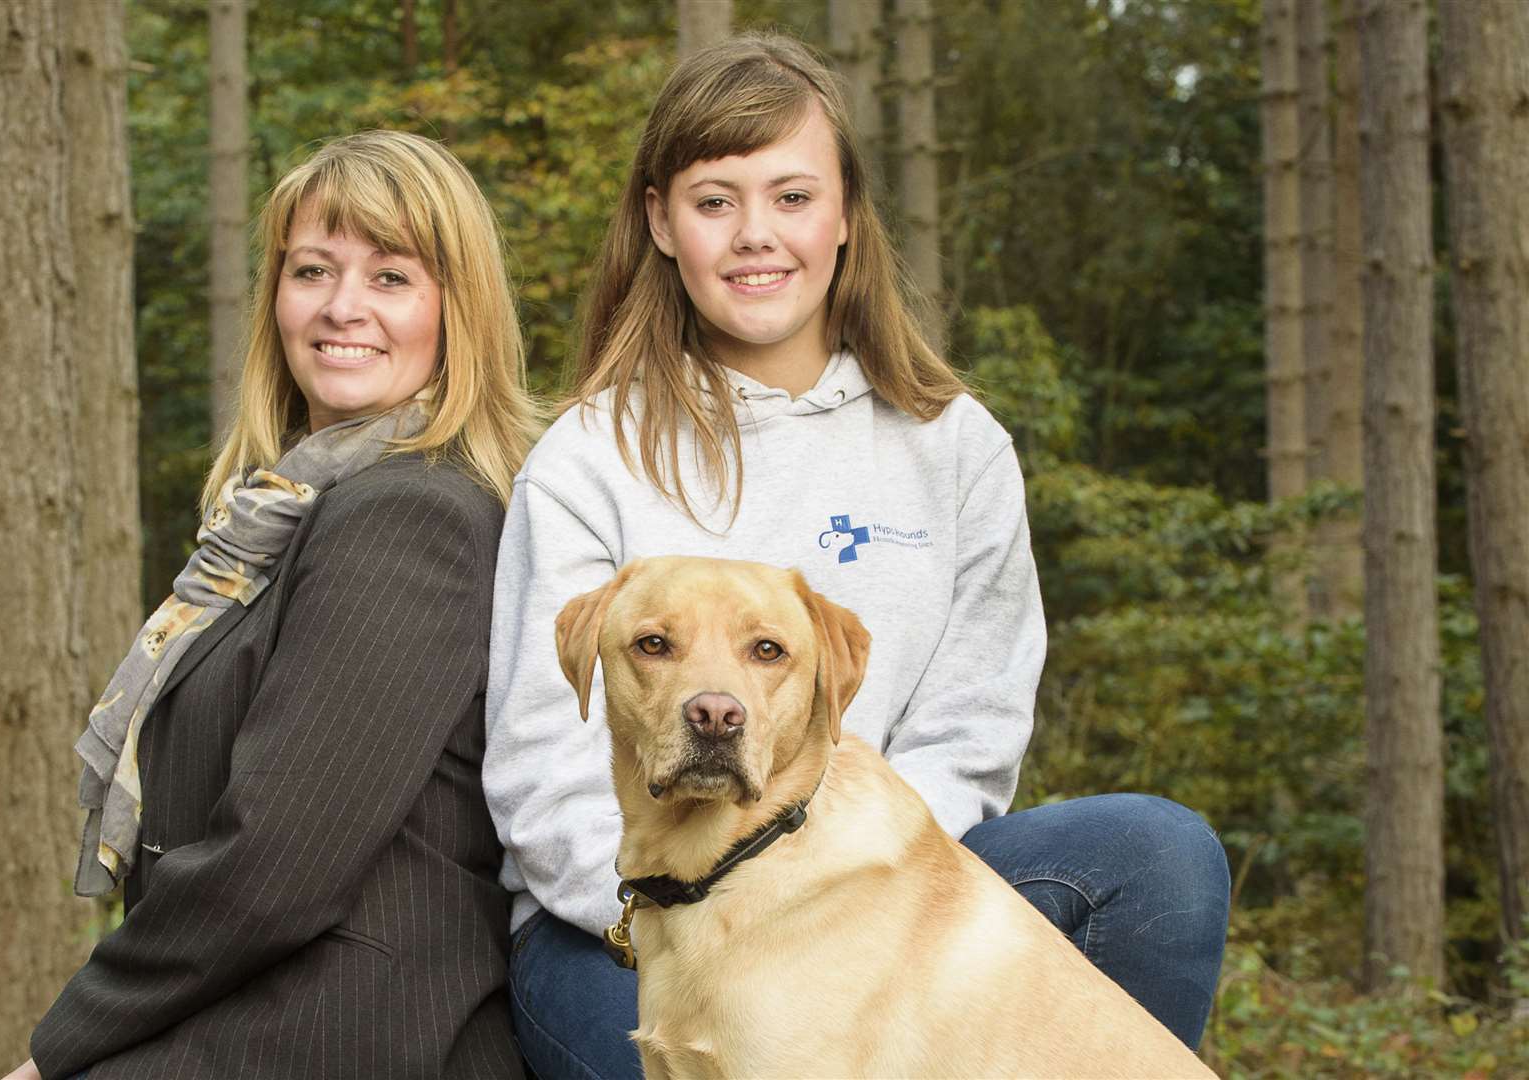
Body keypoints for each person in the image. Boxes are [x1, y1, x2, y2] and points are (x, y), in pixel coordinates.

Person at [482, 33, 1230, 1080]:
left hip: (869, 890)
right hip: (615, 915)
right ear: (659, 219)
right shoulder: (588, 454)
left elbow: (968, 741)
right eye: (714, 201)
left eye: (791, 197)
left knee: (1156, 859)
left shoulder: (954, 444)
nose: (756, 236)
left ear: (843, 215)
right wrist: (700, 924)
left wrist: (828, 916)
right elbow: (539, 770)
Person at [7, 129, 541, 1079]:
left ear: (459, 314)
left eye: (391, 277)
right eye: (313, 269)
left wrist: (61, 1051)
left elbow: (276, 863)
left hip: (351, 1030)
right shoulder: (287, 515)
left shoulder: (410, 515)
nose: (343, 306)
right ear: (275, 300)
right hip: (271, 1015)